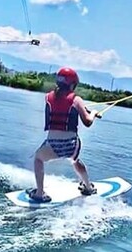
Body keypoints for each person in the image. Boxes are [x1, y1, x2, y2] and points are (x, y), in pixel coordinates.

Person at [27, 67, 99, 203]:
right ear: (72, 84)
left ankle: (39, 193)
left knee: (38, 159)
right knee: (75, 160)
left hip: (52, 146)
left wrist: (83, 109)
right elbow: (88, 122)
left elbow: (61, 104)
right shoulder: (77, 100)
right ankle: (88, 188)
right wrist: (94, 112)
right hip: (71, 145)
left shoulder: (47, 97)